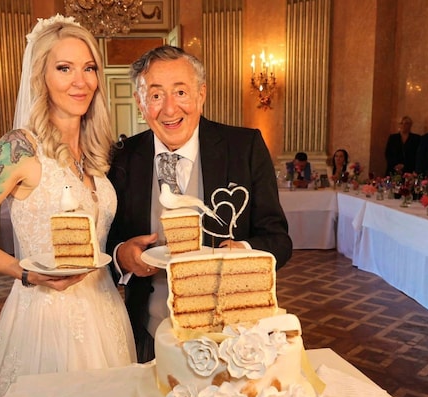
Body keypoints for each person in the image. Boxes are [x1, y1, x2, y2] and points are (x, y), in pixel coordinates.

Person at [0, 16, 135, 397]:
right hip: (47, 319)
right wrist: (24, 273)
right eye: (64, 68)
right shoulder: (18, 147)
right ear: (41, 76)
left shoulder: (96, 153)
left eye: (89, 68)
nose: (80, 80)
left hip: (107, 311)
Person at [107, 45, 292, 363]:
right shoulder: (121, 158)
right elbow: (105, 242)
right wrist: (121, 256)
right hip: (146, 336)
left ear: (201, 94)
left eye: (180, 92)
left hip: (232, 337)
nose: (169, 109)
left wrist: (243, 251)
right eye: (155, 95)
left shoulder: (244, 148)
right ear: (140, 102)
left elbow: (279, 241)